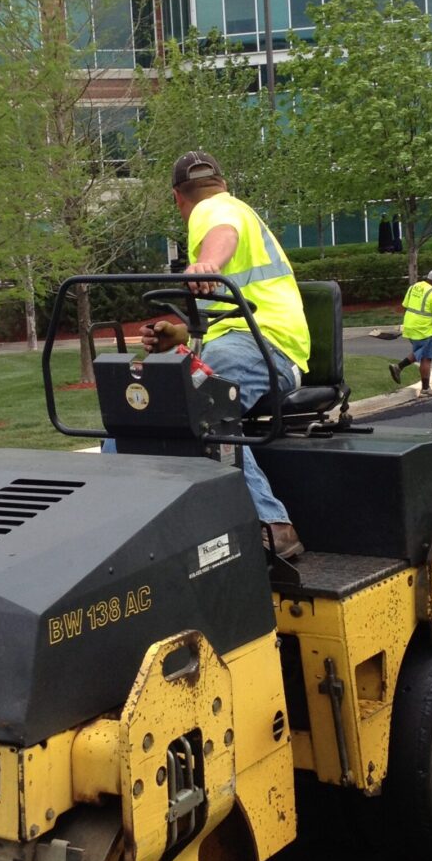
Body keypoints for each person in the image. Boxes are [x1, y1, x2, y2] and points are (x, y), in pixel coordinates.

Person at [141, 150, 311, 559]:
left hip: (268, 346)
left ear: (177, 198)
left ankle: (274, 523)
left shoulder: (212, 210)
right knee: (147, 396)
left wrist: (206, 264)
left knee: (199, 397)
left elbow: (223, 231)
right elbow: (222, 319)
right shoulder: (231, 205)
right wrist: (177, 335)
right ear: (222, 180)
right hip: (245, 340)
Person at [389, 269, 432, 396]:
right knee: (426, 358)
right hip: (424, 329)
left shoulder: (414, 287)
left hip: (410, 326)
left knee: (420, 352)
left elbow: (405, 305)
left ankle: (401, 369)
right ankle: (423, 387)